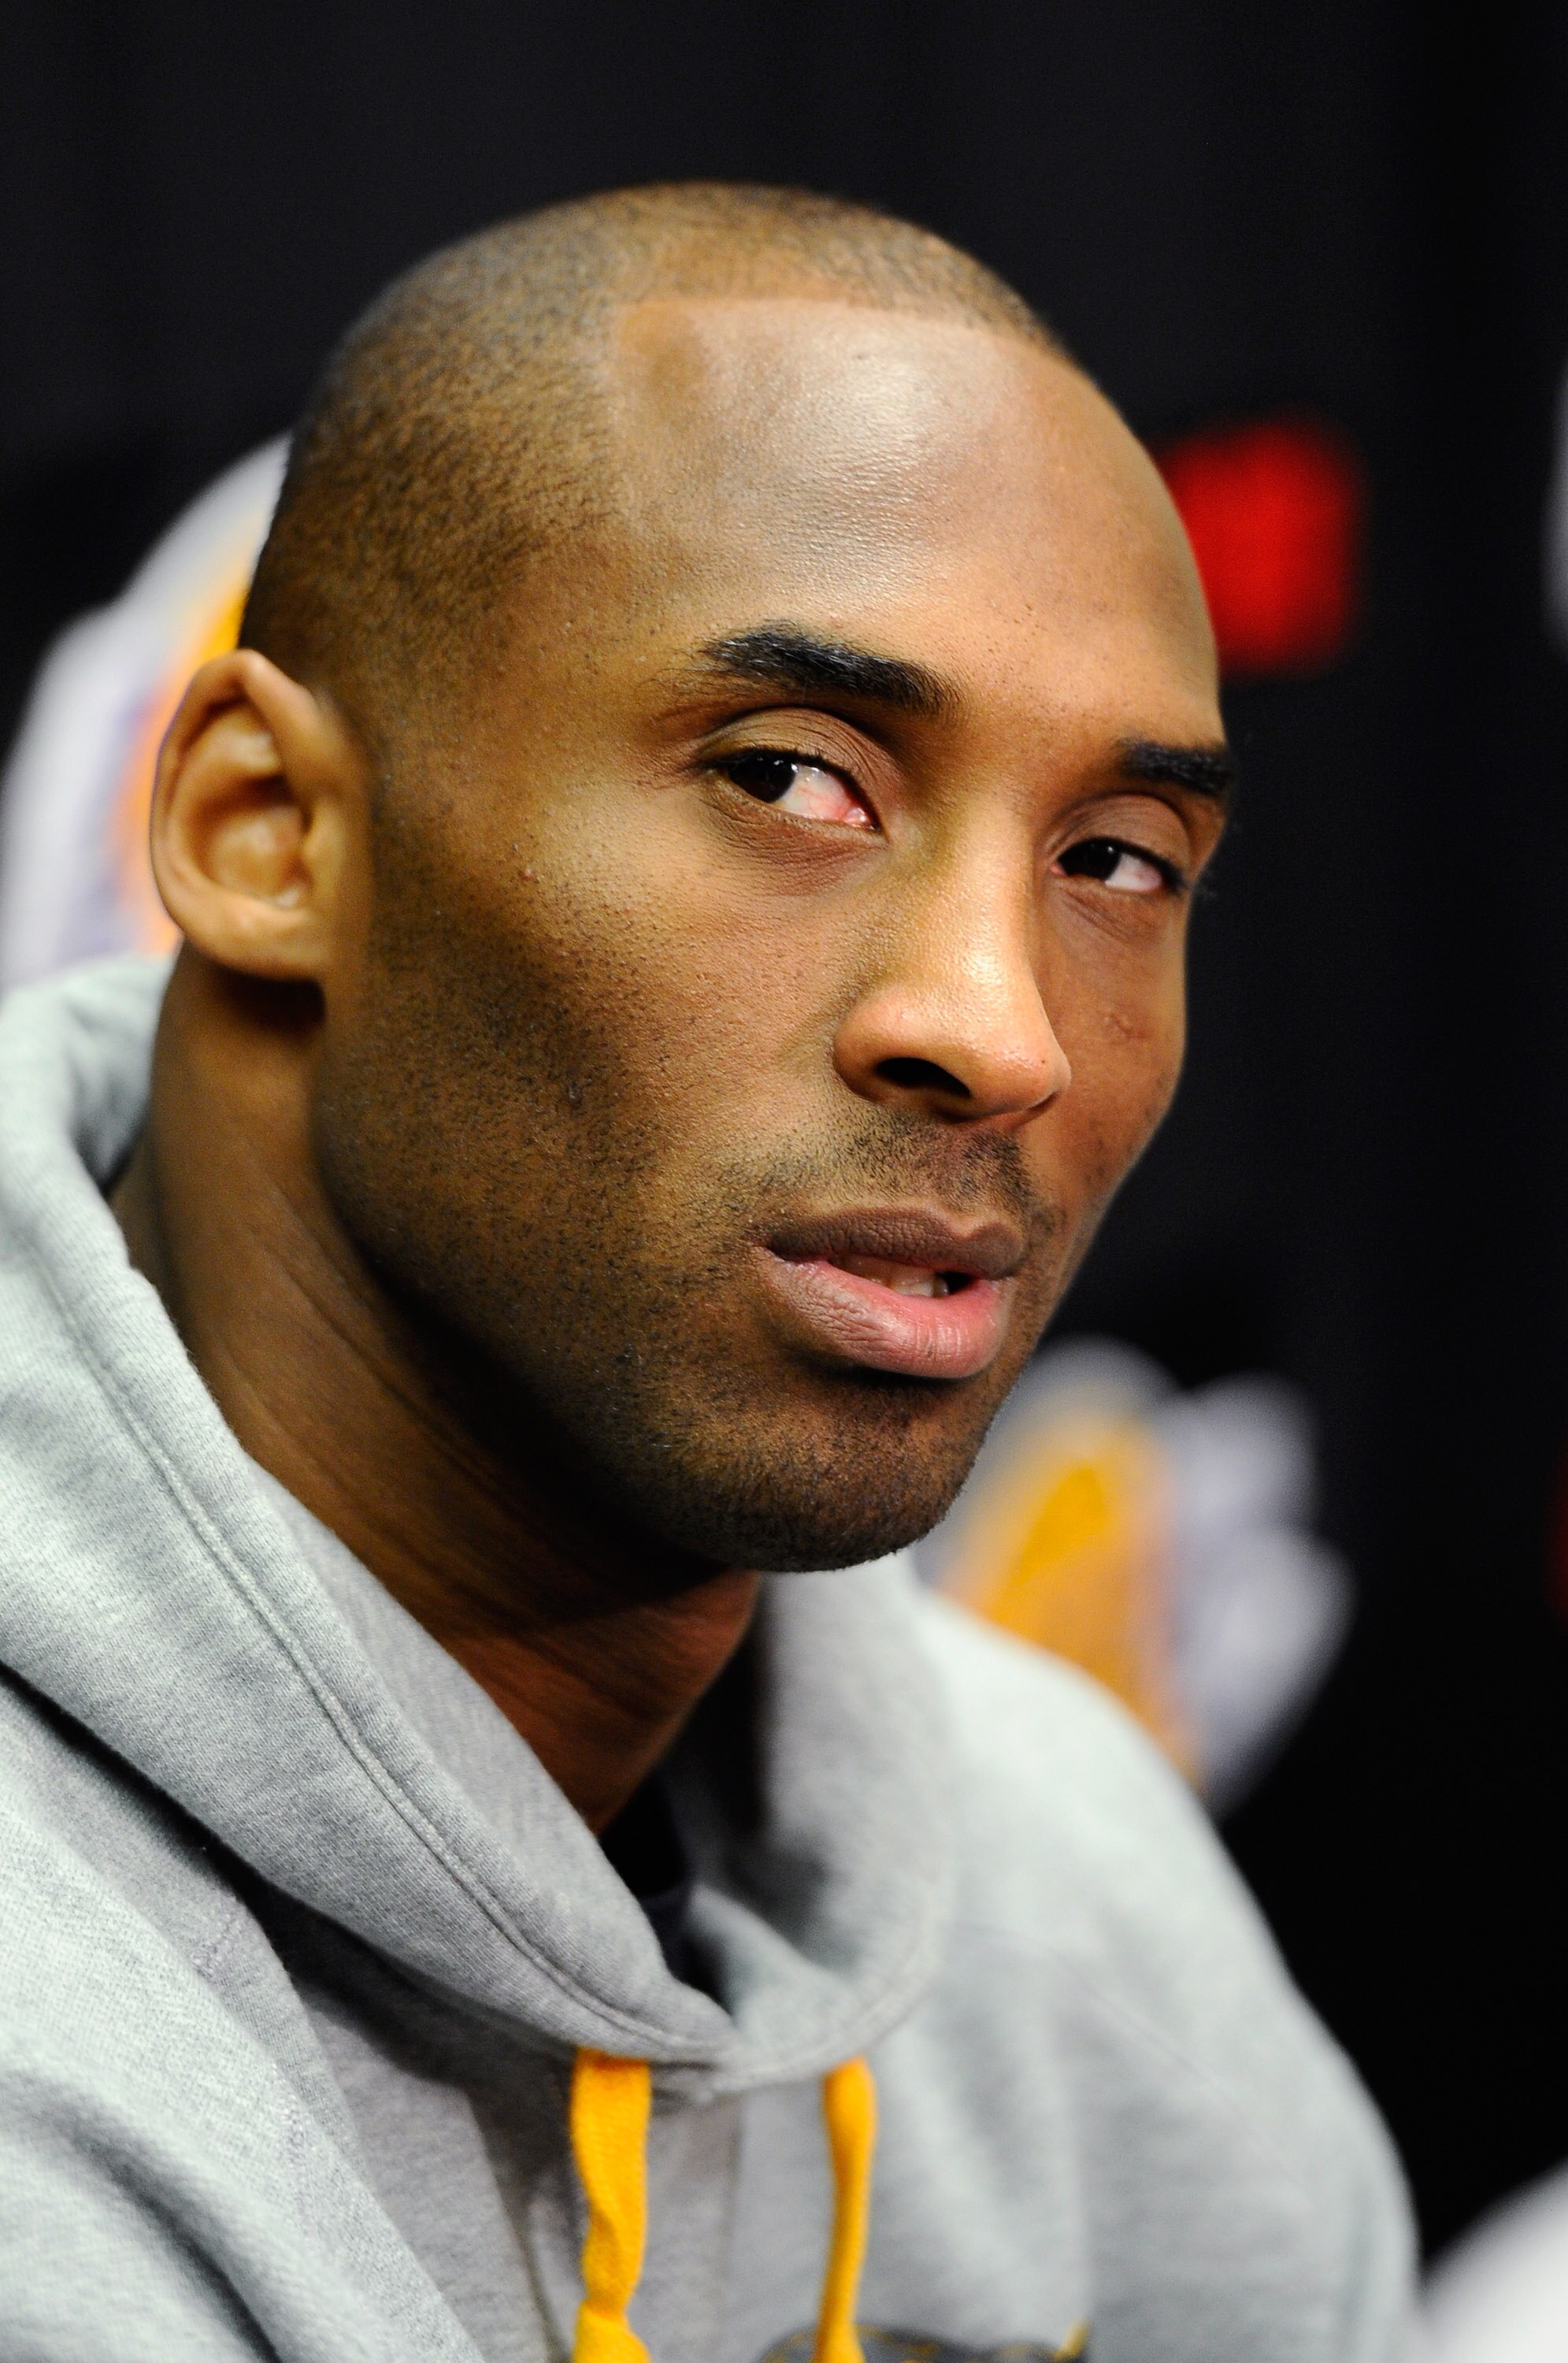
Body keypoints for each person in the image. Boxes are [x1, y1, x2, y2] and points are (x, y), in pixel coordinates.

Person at [0, 182, 1417, 2362]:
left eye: (1118, 862)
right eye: (794, 781)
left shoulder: (1072, 1897)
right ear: (267, 834)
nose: (1006, 1027)